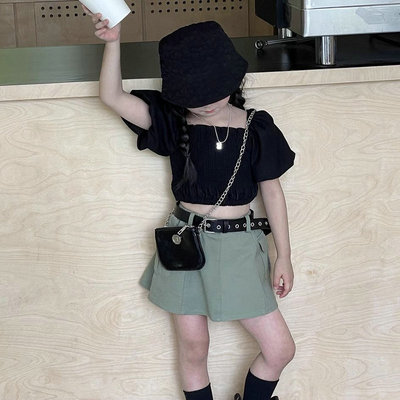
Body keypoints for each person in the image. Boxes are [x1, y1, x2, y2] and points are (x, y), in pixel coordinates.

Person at [84, 7, 296, 400]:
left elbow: (272, 192)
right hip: (186, 246)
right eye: (194, 96)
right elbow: (111, 96)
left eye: (214, 90)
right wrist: (113, 43)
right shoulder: (172, 121)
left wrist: (284, 255)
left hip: (239, 248)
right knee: (194, 349)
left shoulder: (257, 127)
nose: (207, 103)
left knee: (280, 349)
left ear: (232, 78)